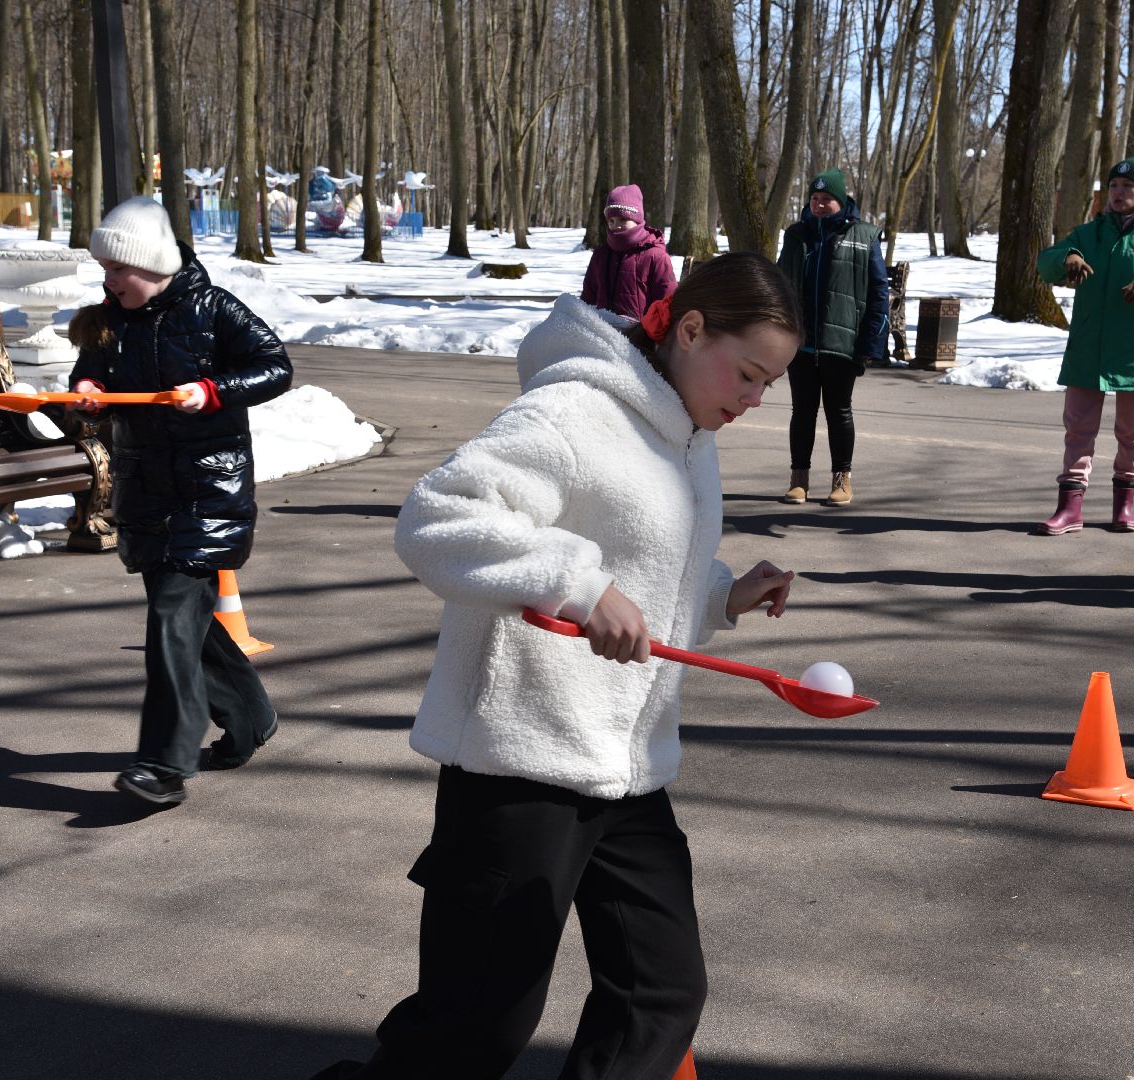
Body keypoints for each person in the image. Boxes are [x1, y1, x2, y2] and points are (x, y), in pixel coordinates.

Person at [311, 253, 800, 1079]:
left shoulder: (688, 432)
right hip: (521, 767)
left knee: (662, 994)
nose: (753, 402)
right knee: (474, 1030)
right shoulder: (575, 412)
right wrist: (576, 585)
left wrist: (723, 597)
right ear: (688, 329)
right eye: (748, 374)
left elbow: (643, 570)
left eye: (768, 387)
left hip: (626, 771)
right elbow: (437, 519)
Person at [67, 196, 292, 804]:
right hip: (145, 491)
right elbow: (89, 374)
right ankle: (250, 717)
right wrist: (87, 391)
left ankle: (163, 767)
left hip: (208, 491)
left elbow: (276, 367)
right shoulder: (110, 320)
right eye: (105, 270)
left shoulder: (213, 308)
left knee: (170, 621)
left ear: (153, 265)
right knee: (187, 626)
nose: (108, 281)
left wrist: (213, 390)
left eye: (119, 269)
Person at [1035, 154, 1134, 534]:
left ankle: (1124, 508)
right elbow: (1046, 262)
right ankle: (1069, 509)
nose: (1118, 194)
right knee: (1078, 429)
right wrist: (1066, 257)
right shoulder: (1089, 233)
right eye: (1113, 188)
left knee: (1132, 431)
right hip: (1089, 346)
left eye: (1128, 188)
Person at [774, 167, 889, 507]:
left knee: (839, 412)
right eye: (815, 199)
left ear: (841, 201)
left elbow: (878, 292)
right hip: (802, 343)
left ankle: (842, 478)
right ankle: (799, 478)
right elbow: (780, 284)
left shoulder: (864, 235)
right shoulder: (797, 235)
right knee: (802, 412)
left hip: (843, 344)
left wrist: (870, 344)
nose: (820, 205)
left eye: (827, 200)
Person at [579, 183, 678, 320]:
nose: (616, 226)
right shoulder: (600, 255)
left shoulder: (655, 256)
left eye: (623, 219)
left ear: (637, 220)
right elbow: (587, 300)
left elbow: (666, 303)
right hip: (600, 334)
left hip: (641, 336)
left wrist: (652, 335)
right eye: (611, 221)